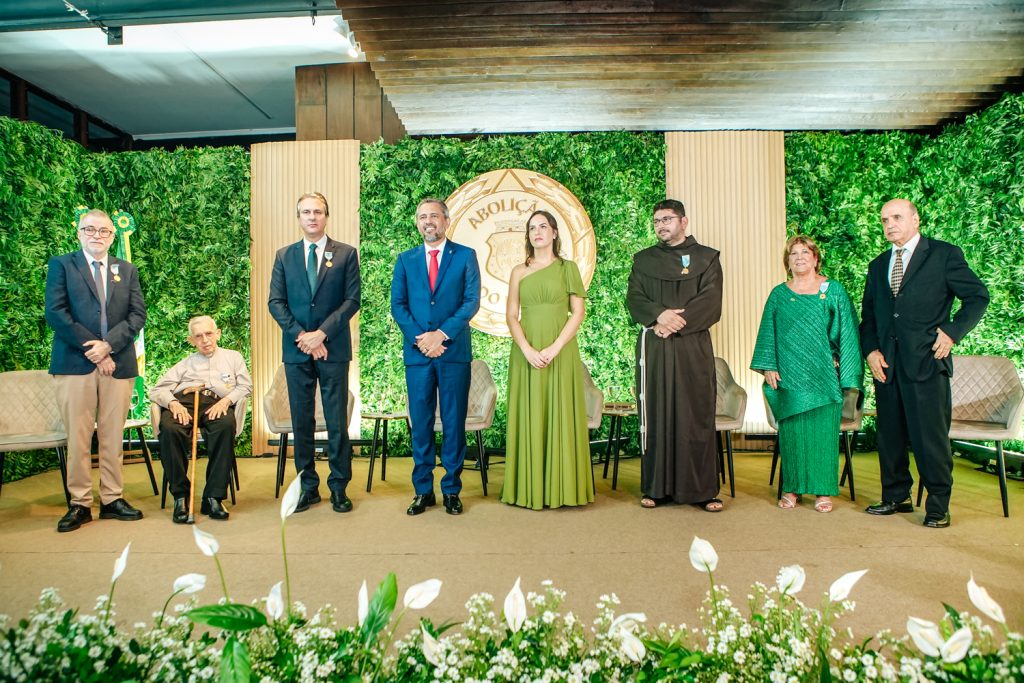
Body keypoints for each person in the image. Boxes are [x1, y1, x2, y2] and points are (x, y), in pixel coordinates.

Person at [860, 198, 988, 528]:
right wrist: (870, 351)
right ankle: (896, 496)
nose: (890, 224)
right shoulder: (877, 265)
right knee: (889, 436)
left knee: (930, 439)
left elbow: (977, 296)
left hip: (928, 361)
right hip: (886, 366)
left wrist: (953, 332)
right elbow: (869, 316)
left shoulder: (944, 255)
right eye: (885, 220)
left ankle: (938, 506)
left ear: (916, 220)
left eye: (897, 217)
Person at [45, 208, 147, 533]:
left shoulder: (126, 270)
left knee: (113, 435)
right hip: (75, 364)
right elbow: (56, 312)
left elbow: (137, 315)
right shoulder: (62, 265)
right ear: (79, 233)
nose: (96, 236)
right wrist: (95, 349)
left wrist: (109, 346)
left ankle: (112, 499)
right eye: (89, 229)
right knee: (78, 437)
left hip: (118, 363)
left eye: (104, 231)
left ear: (112, 237)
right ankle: (80, 504)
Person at [751, 236, 862, 513]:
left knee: (823, 434)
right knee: (793, 435)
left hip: (824, 375)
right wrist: (768, 365)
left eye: (805, 252)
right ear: (787, 261)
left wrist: (842, 365)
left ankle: (823, 491)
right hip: (789, 377)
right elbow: (768, 332)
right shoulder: (779, 294)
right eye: (793, 253)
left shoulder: (833, 290)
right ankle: (792, 488)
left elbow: (847, 332)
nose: (799, 257)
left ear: (815, 258)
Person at [626, 199, 724, 511]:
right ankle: (656, 488)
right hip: (654, 347)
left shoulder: (707, 258)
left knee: (695, 414)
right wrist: (659, 316)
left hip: (692, 347)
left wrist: (674, 323)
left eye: (667, 219)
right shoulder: (643, 260)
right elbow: (634, 298)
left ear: (683, 221)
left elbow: (711, 301)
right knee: (657, 413)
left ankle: (702, 491)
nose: (661, 225)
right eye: (657, 221)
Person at [269, 192, 360, 514]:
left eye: (318, 212)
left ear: (326, 216)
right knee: (302, 422)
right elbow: (275, 302)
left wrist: (321, 334)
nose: (312, 217)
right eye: (306, 212)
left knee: (336, 422)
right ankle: (307, 488)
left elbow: (351, 300)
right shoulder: (284, 256)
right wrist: (302, 337)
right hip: (297, 352)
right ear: (299, 218)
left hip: (333, 349)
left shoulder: (346, 254)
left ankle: (339, 487)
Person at [391, 198, 481, 516]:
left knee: (454, 422)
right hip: (418, 355)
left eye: (434, 216)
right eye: (422, 217)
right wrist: (423, 339)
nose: (428, 221)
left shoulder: (466, 256)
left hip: (453, 352)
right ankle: (423, 491)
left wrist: (441, 335)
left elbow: (471, 302)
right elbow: (398, 305)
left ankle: (452, 490)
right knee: (421, 424)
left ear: (446, 220)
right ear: (417, 223)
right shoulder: (405, 260)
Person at [501, 210, 594, 510]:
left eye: (543, 226)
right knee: (530, 412)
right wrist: (527, 349)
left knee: (561, 411)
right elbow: (511, 316)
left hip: (561, 350)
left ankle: (563, 488)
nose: (537, 232)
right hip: (525, 351)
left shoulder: (569, 268)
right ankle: (529, 488)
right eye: (532, 228)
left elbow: (578, 313)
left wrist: (554, 348)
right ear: (528, 236)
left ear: (554, 232)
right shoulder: (518, 271)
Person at [149, 316, 252, 523]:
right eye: (198, 336)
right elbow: (157, 390)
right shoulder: (185, 364)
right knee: (170, 429)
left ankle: (213, 497)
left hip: (217, 403)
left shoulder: (233, 357)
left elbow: (246, 386)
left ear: (218, 334)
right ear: (191, 340)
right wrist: (173, 403)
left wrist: (227, 401)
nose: (205, 340)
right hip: (185, 402)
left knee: (225, 426)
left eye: (209, 334)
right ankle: (181, 496)